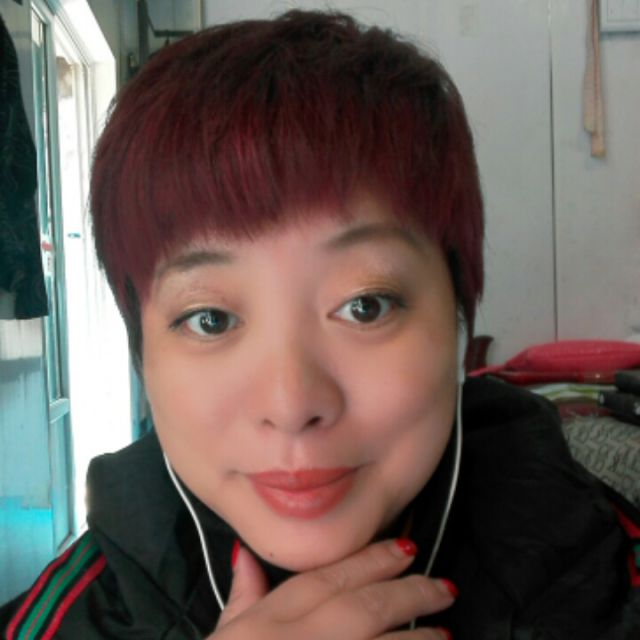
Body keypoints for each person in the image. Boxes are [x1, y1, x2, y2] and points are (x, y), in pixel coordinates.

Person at [2, 9, 638, 639]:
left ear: (457, 317)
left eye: (366, 306)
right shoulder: (66, 621)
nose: (291, 404)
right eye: (210, 318)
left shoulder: (597, 566)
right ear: (142, 353)